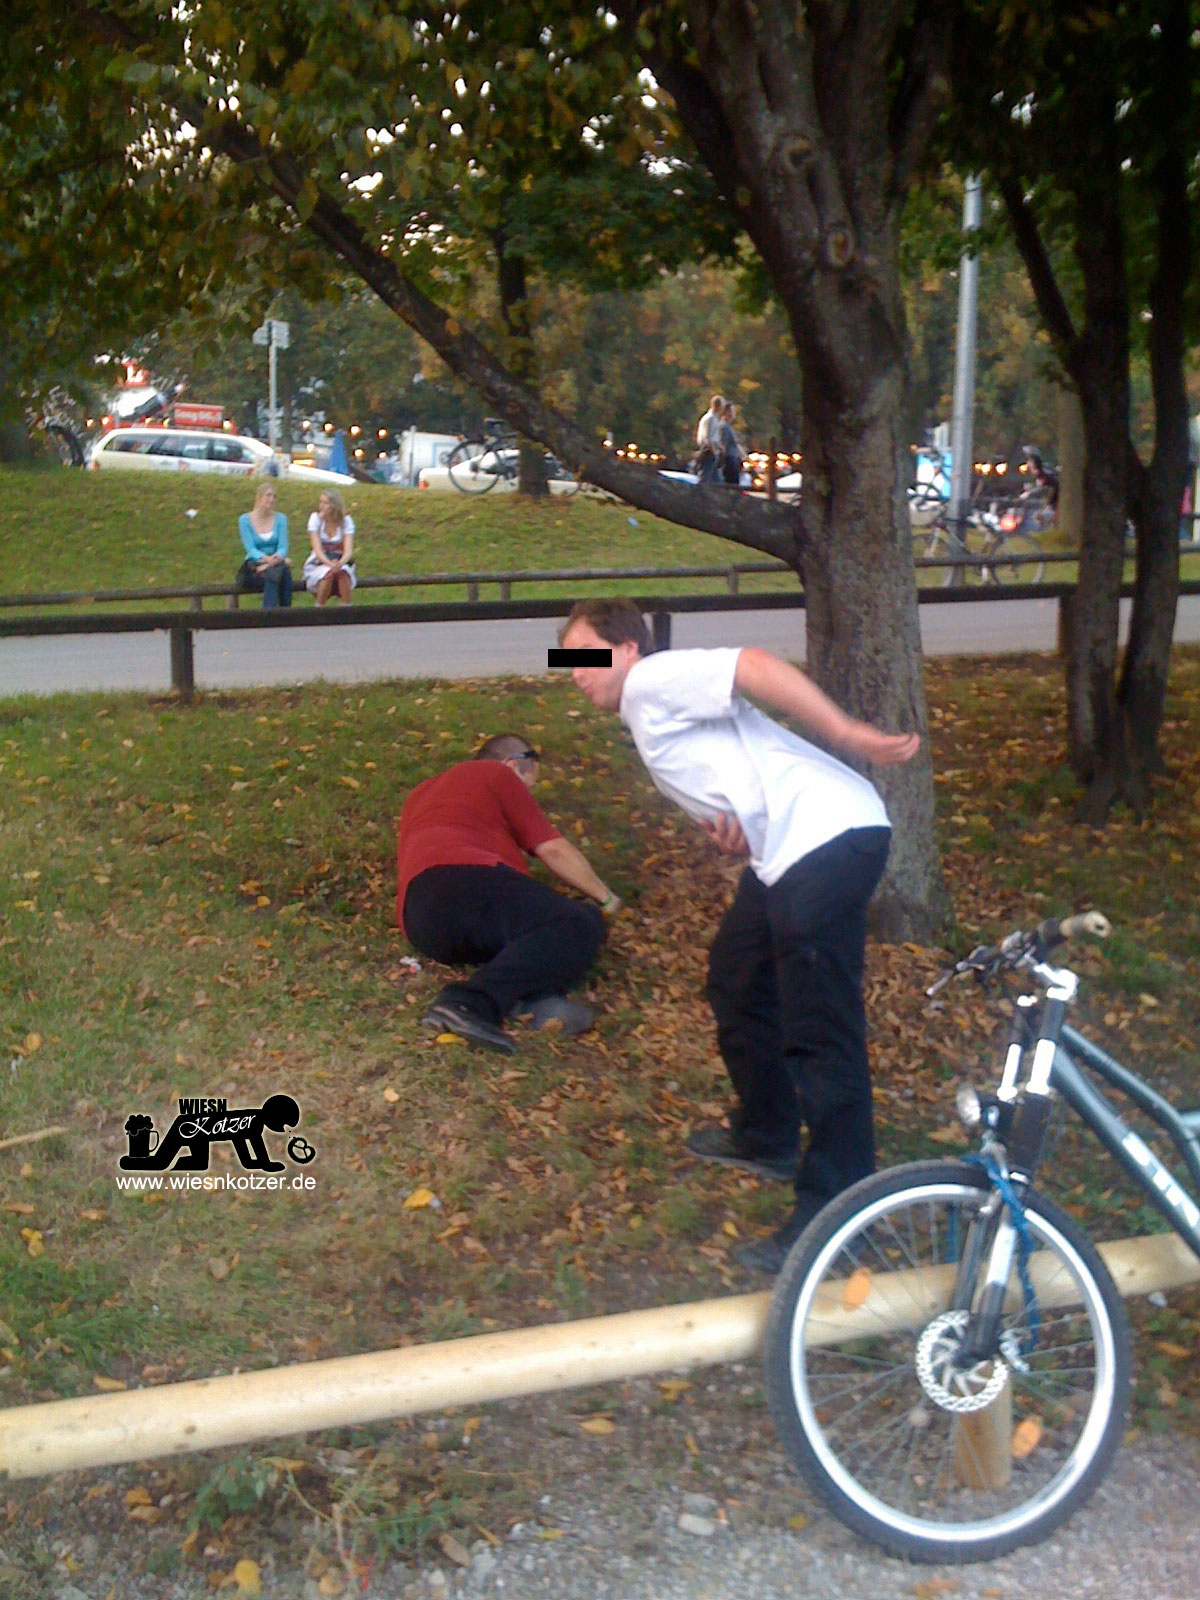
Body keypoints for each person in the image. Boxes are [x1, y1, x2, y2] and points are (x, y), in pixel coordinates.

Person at [557, 598, 920, 1274]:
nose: (575, 673)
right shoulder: (646, 709)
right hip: (785, 850)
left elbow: (751, 665)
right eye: (567, 661)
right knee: (737, 978)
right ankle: (767, 1135)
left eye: (584, 655)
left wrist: (848, 733)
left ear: (628, 648)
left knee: (821, 1031)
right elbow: (735, 768)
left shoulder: (650, 680)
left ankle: (837, 1220)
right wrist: (728, 823)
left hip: (827, 839)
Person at [397, 734, 621, 1055]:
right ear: (513, 766)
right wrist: (606, 898)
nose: (527, 795)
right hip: (463, 880)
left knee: (530, 940)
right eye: (528, 786)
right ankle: (468, 1004)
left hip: (420, 921)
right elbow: (552, 849)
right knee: (580, 921)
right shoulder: (497, 775)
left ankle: (533, 1004)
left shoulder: (420, 794)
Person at [237, 481, 292, 608]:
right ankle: (285, 613)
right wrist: (267, 560)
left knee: (276, 573)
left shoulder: (281, 519)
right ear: (259, 497)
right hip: (255, 566)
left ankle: (269, 613)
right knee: (283, 571)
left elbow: (283, 547)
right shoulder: (245, 520)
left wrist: (275, 559)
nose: (271, 499)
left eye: (274, 496)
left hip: (275, 563)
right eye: (268, 495)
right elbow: (251, 549)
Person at [303, 489, 356, 605]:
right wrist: (329, 564)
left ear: (334, 505)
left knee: (343, 574)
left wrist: (340, 563)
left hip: (339, 560)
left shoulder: (346, 521)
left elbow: (348, 551)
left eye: (325, 503)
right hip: (319, 561)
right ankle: (320, 607)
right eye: (320, 502)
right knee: (327, 574)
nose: (321, 506)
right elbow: (317, 549)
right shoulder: (315, 519)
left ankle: (347, 607)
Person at [694, 394, 725, 485]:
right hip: (709, 451)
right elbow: (708, 438)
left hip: (712, 449)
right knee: (705, 476)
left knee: (716, 478)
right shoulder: (711, 418)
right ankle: (697, 494)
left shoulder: (713, 418)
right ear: (719, 406)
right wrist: (714, 451)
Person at [719, 402, 744, 487]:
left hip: (734, 460)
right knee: (732, 486)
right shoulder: (724, 427)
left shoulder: (729, 426)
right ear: (727, 412)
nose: (734, 413)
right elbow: (723, 445)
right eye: (732, 411)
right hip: (729, 461)